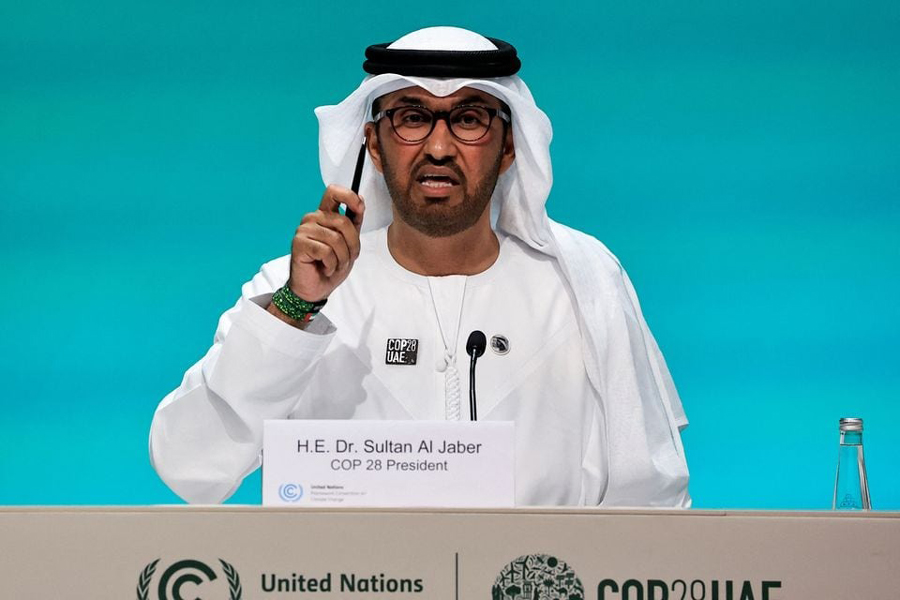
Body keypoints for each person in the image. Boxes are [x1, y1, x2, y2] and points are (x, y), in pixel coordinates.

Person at [150, 26, 690, 507]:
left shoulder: (581, 281)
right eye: (411, 119)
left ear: (508, 149)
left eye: (469, 120)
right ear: (375, 147)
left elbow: (652, 502)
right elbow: (190, 469)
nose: (438, 147)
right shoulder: (295, 290)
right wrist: (298, 307)